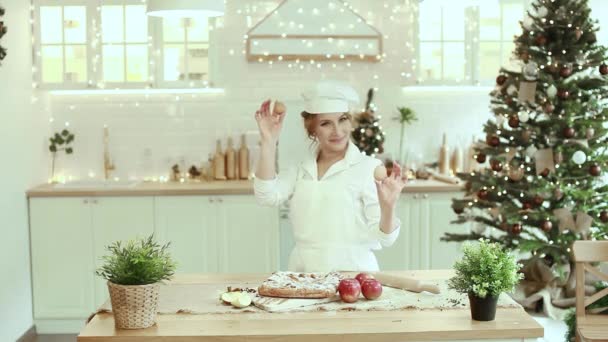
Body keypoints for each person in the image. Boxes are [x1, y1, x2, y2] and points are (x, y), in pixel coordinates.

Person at [253, 81, 407, 272]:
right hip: (303, 275)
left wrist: (388, 207)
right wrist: (269, 141)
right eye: (326, 123)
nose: (337, 131)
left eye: (342, 119)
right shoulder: (301, 167)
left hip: (355, 277)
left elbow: (387, 238)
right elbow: (265, 196)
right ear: (312, 130)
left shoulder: (370, 168)